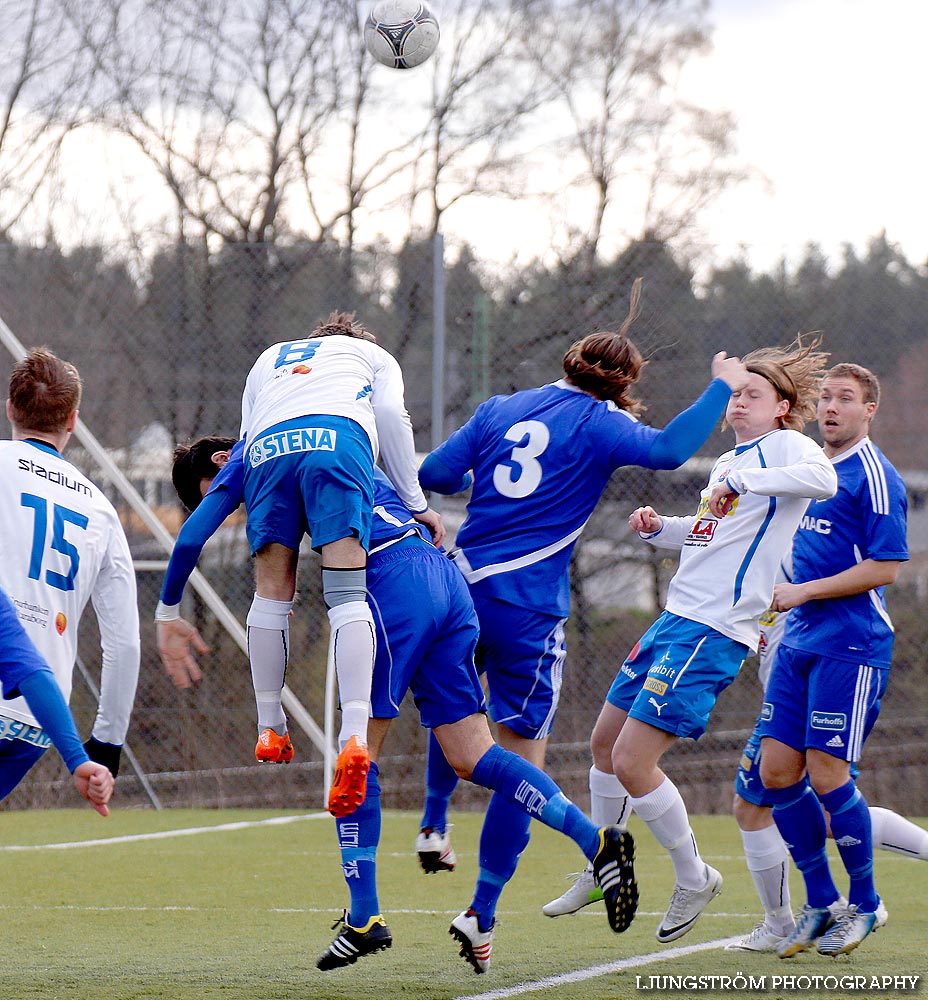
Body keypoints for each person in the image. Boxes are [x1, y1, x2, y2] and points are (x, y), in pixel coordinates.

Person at [160, 441, 635, 975]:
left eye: (224, 497)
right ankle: (597, 844)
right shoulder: (333, 435)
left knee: (357, 757)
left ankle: (364, 919)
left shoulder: (261, 456)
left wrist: (173, 611)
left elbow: (265, 578)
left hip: (389, 586)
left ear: (223, 463)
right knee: (472, 756)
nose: (238, 505)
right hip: (443, 580)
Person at [415, 279, 751, 948]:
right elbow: (668, 452)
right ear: (621, 385)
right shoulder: (600, 423)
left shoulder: (499, 408)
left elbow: (439, 475)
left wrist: (490, 474)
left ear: (569, 361)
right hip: (528, 614)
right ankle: (482, 911)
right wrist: (721, 385)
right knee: (520, 762)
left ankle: (432, 823)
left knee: (457, 729)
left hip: (459, 595)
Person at [544, 337, 838, 944]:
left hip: (713, 630)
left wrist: (757, 477)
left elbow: (823, 479)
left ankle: (694, 875)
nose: (737, 404)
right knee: (602, 746)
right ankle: (605, 865)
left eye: (751, 395)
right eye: (734, 394)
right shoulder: (732, 463)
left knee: (631, 761)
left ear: (782, 407)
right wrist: (661, 530)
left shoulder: (785, 447)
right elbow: (712, 533)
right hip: (675, 619)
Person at [155, 311, 442, 819]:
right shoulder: (373, 359)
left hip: (268, 450)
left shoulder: (267, 361)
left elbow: (196, 529)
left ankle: (270, 727)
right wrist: (415, 500)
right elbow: (394, 419)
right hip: (342, 444)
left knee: (269, 592)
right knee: (346, 596)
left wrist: (166, 612)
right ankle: (354, 736)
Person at [756, 362, 908, 958]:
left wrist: (802, 593)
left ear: (869, 410)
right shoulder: (810, 469)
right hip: (797, 640)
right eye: (826, 398)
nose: (831, 407)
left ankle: (865, 906)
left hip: (852, 643)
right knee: (774, 773)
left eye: (846, 399)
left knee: (827, 775)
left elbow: (886, 567)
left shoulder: (874, 475)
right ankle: (819, 904)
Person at [728, 562, 926, 954]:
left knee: (809, 799)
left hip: (824, 684)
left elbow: (876, 569)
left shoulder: (794, 542)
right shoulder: (758, 547)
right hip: (788, 699)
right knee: (789, 802)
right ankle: (807, 910)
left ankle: (789, 920)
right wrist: (663, 530)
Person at [0, 347, 140, 799]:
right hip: (39, 717)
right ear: (72, 421)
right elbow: (124, 643)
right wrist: (106, 743)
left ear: (9, 407)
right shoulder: (100, 509)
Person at [0, 585, 114, 814]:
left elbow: (31, 672)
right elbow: (32, 674)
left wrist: (78, 760)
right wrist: (77, 759)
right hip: (33, 726)